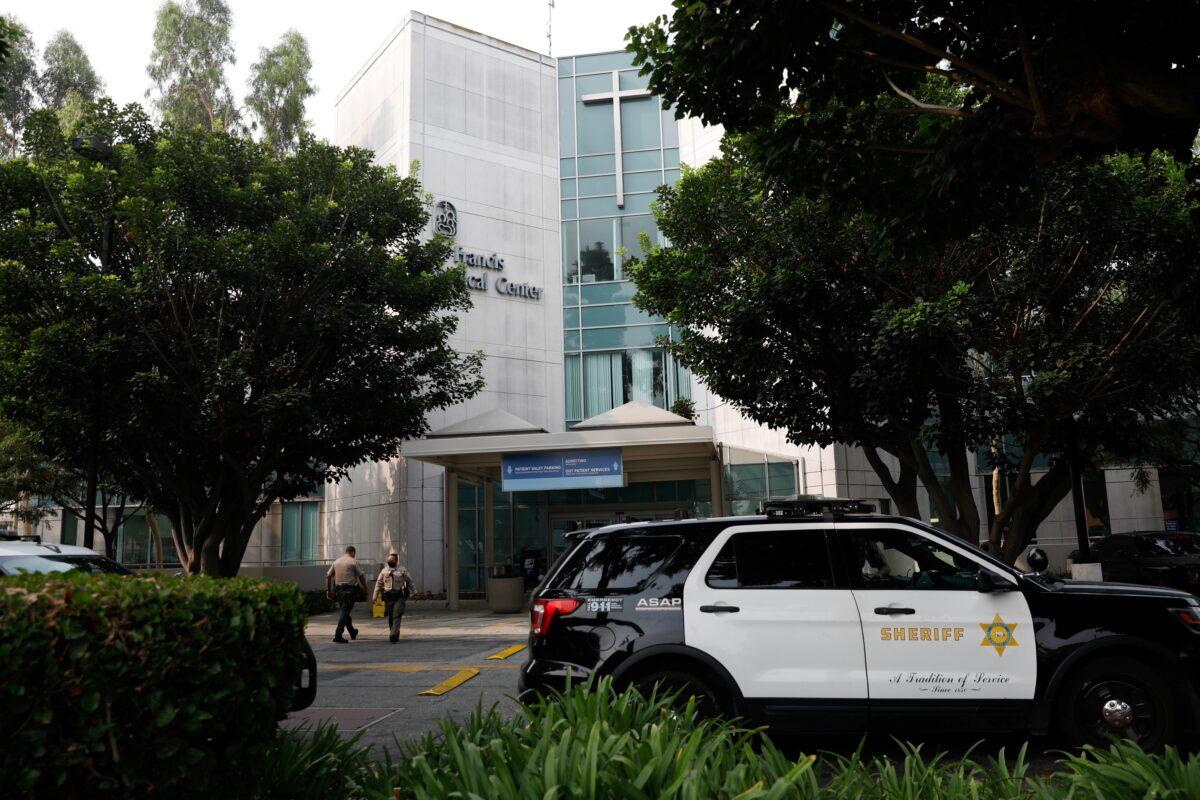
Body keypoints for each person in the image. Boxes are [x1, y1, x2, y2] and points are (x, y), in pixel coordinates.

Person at [325, 545, 368, 644]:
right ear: (353, 552)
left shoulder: (336, 562)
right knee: (345, 612)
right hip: (349, 591)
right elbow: (361, 576)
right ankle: (338, 635)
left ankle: (352, 632)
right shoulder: (354, 561)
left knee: (346, 612)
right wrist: (365, 589)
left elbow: (328, 576)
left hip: (338, 591)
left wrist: (328, 590)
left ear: (346, 551)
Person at [372, 551, 414, 643]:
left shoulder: (402, 570)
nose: (389, 562)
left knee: (396, 615)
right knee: (391, 616)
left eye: (391, 560)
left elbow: (410, 581)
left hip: (399, 595)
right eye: (388, 560)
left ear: (396, 560)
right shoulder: (384, 571)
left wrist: (415, 592)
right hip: (389, 596)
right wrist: (374, 596)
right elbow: (378, 584)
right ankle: (394, 633)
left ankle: (393, 634)